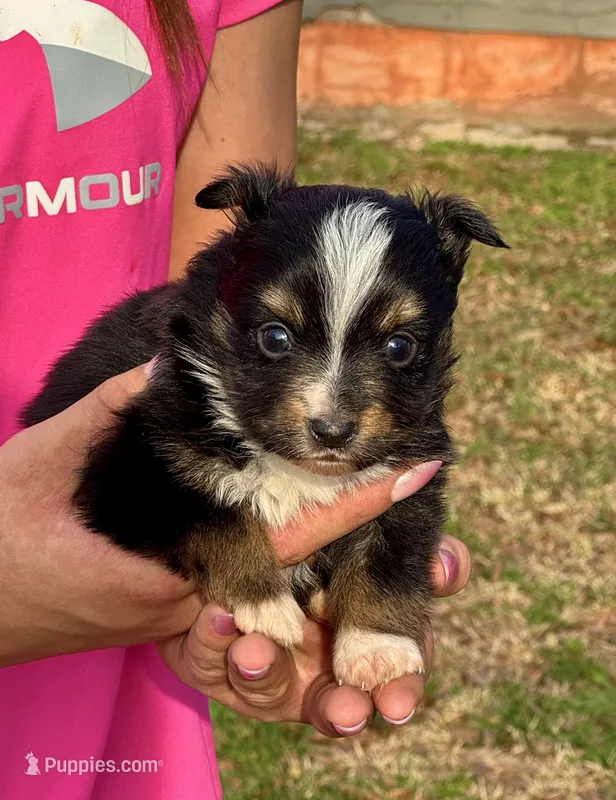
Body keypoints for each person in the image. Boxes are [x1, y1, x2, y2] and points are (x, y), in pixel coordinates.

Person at [0, 1, 471, 797]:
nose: (331, 409)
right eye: (280, 342)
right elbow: (136, 492)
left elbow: (401, 517)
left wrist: (374, 617)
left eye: (395, 351)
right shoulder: (170, 399)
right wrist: (248, 575)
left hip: (125, 696)